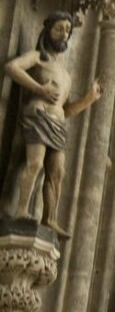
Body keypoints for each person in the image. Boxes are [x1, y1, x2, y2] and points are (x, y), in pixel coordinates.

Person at [4, 12, 101, 237]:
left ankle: (50, 218)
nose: (64, 33)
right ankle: (21, 210)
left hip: (57, 125)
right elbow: (12, 67)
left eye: (68, 30)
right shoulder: (38, 57)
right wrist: (39, 89)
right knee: (35, 164)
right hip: (38, 117)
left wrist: (89, 99)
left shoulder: (66, 74)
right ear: (47, 30)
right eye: (60, 28)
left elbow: (66, 110)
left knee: (57, 171)